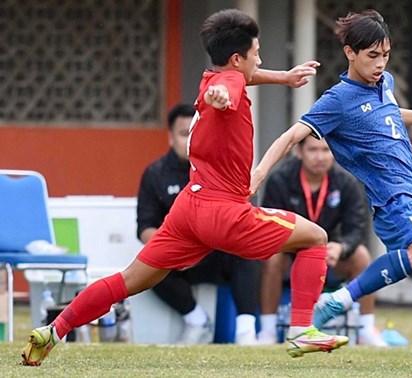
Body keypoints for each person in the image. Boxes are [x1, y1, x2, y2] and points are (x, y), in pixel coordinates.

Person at [21, 9, 348, 366]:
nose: (259, 59)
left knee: (129, 279)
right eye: (257, 53)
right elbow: (233, 85)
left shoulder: (212, 76)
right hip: (224, 212)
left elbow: (237, 78)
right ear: (237, 58)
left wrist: (283, 78)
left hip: (188, 209)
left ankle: (53, 330)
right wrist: (221, 96)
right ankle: (301, 329)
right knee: (315, 237)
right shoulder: (227, 85)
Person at [250, 10, 412, 369]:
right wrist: (258, 174)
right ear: (350, 53)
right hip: (392, 196)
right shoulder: (337, 100)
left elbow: (389, 111)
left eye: (385, 55)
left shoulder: (382, 84)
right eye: (372, 56)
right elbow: (293, 135)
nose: (380, 63)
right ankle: (338, 300)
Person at [137, 103, 262, 345]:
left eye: (194, 133)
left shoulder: (220, 168)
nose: (189, 140)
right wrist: (175, 252)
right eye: (184, 134)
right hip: (178, 256)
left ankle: (246, 329)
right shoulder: (155, 174)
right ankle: (196, 320)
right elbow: (144, 226)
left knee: (248, 251)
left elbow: (239, 214)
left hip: (217, 251)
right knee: (145, 262)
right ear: (170, 137)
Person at [256, 136, 387, 346]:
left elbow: (357, 228)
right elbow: (270, 227)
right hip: (290, 253)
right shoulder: (280, 180)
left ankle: (366, 329)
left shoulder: (346, 182)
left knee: (361, 255)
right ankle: (267, 332)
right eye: (313, 150)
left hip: (331, 256)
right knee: (271, 258)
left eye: (326, 150)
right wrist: (301, 248)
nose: (320, 157)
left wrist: (342, 247)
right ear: (299, 152)